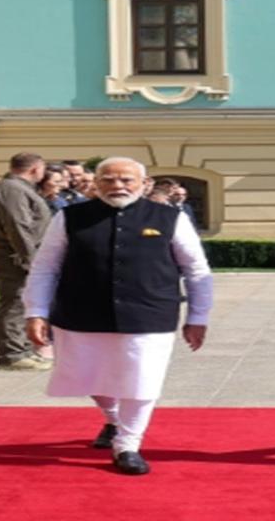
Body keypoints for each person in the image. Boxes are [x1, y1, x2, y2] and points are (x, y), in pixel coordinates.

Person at [24, 157, 213, 476]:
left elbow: (196, 270)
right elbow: (46, 267)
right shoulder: (70, 218)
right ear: (96, 183)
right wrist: (36, 311)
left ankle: (128, 444)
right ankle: (113, 419)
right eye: (109, 179)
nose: (118, 186)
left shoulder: (170, 218)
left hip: (149, 313)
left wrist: (198, 316)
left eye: (126, 180)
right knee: (88, 375)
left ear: (144, 183)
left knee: (143, 378)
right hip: (80, 311)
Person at [0, 152, 52, 370]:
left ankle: (22, 349)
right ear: (35, 169)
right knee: (14, 305)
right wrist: (30, 259)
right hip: (14, 257)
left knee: (22, 304)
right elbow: (17, 225)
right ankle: (12, 355)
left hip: (19, 254)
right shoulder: (11, 189)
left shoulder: (17, 188)